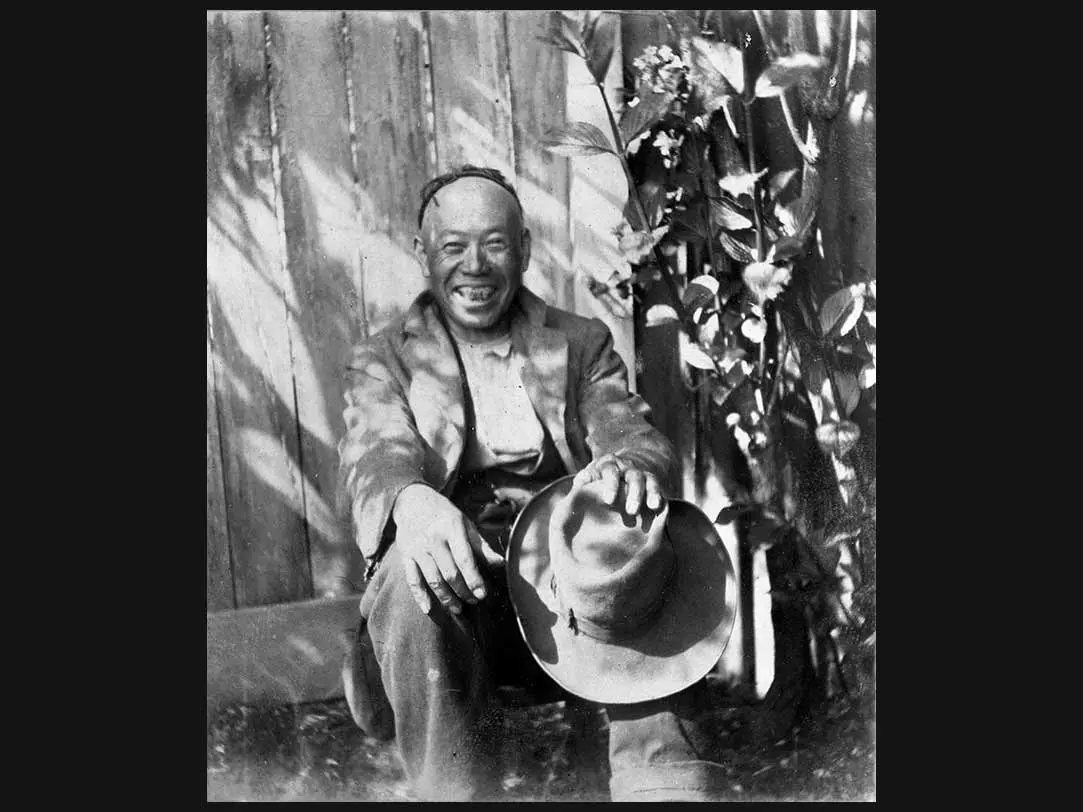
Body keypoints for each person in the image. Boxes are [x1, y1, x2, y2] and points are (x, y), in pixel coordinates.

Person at [338, 165, 729, 801]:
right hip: (463, 602)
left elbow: (629, 431)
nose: (475, 266)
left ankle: (663, 785)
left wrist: (630, 468)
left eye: (495, 244)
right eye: (453, 247)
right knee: (416, 572)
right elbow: (374, 456)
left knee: (638, 545)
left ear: (524, 249)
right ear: (422, 256)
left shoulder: (579, 342)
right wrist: (412, 503)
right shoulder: (383, 359)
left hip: (562, 588)